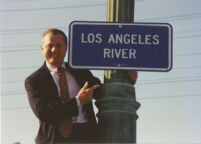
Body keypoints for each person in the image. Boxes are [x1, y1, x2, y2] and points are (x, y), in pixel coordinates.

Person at [25, 28, 137, 144]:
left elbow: (101, 91)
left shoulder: (79, 70)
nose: (54, 50)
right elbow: (44, 112)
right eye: (49, 45)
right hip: (54, 139)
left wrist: (126, 79)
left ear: (66, 48)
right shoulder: (33, 80)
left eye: (59, 46)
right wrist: (78, 101)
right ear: (42, 48)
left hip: (87, 136)